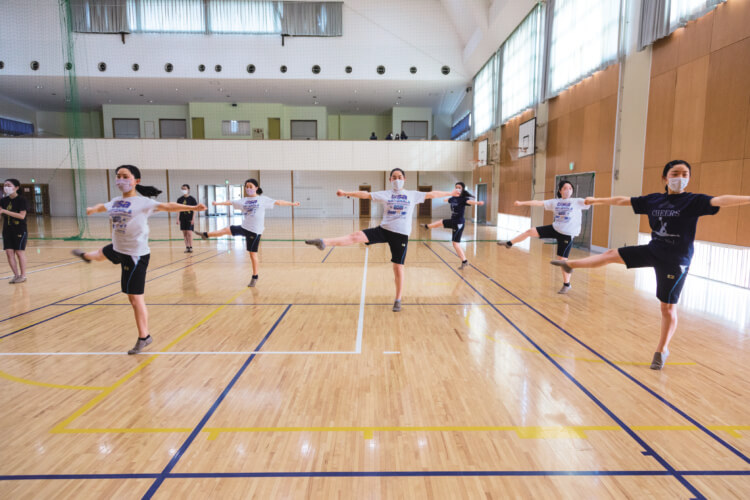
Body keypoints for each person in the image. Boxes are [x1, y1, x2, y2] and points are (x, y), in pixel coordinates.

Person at [550, 160, 750, 369]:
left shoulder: (694, 201)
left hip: (676, 261)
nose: (680, 178)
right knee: (611, 254)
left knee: (667, 308)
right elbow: (623, 200)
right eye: (675, 173)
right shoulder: (654, 200)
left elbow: (721, 200)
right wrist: (598, 200)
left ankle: (662, 349)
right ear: (665, 177)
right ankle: (571, 265)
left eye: (685, 174)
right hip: (653, 250)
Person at [72, 165, 206, 354]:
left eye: (125, 176)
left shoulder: (143, 202)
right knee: (102, 253)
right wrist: (93, 209)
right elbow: (104, 206)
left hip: (135, 255)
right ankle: (86, 256)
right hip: (119, 248)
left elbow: (167, 206)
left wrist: (192, 207)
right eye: (118, 176)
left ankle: (144, 337)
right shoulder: (116, 201)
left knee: (135, 299)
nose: (120, 179)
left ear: (136, 181)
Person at [305, 168, 460, 312]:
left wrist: (450, 193)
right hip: (384, 230)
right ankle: (324, 242)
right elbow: (365, 195)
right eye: (394, 177)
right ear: (390, 179)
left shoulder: (412, 195)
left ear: (404, 179)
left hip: (400, 235)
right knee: (356, 236)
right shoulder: (386, 194)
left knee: (398, 268)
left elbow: (433, 194)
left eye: (400, 177)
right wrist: (347, 193)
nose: (397, 179)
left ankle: (398, 299)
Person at [195, 178, 299, 287]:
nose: (248, 188)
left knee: (252, 254)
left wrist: (292, 203)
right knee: (226, 230)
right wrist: (217, 203)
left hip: (254, 232)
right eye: (247, 187)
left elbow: (278, 202)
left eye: (250, 186)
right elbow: (230, 202)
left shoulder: (262, 199)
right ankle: (205, 235)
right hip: (244, 227)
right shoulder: (243, 200)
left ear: (256, 188)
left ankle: (255, 276)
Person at [498, 180, 590, 294]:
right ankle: (509, 243)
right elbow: (538, 202)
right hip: (555, 228)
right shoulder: (555, 202)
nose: (568, 190)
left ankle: (567, 284)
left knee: (562, 260)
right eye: (565, 188)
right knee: (530, 231)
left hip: (566, 234)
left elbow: (591, 201)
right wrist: (522, 203)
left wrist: (592, 199)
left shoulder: (577, 201)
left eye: (570, 188)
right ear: (560, 190)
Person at [422, 181, 484, 269]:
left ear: (462, 189)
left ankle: (427, 226)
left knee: (446, 229)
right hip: (454, 221)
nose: (457, 189)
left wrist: (477, 203)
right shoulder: (453, 198)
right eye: (456, 187)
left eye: (459, 187)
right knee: (452, 238)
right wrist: (445, 199)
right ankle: (464, 261)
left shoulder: (463, 199)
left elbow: (470, 201)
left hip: (458, 222)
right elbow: (447, 200)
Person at [1, 178, 28, 284]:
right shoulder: (3, 201)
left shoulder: (22, 200)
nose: (6, 187)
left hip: (19, 229)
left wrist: (4, 211)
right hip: (7, 230)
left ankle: (23, 275)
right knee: (9, 252)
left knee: (19, 252)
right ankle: (16, 275)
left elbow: (22, 216)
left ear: (16, 187)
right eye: (5, 185)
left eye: (9, 185)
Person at [176, 184, 198, 253]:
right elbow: (178, 209)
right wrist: (177, 219)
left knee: (189, 233)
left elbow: (195, 210)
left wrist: (193, 219)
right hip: (183, 218)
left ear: (188, 190)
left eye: (185, 189)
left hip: (189, 218)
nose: (183, 190)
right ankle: (187, 247)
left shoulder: (192, 199)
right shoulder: (180, 199)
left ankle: (191, 247)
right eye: (182, 189)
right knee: (185, 233)